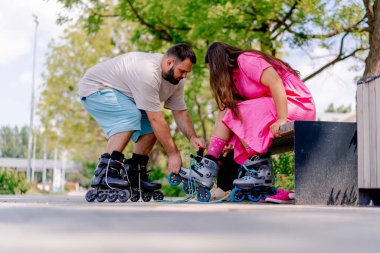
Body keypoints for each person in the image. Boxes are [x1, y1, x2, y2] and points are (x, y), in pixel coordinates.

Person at [79, 43, 205, 202]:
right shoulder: (148, 72)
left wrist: (192, 137)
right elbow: (156, 118)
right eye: (182, 71)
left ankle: (134, 175)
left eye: (187, 72)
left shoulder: (176, 81)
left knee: (151, 131)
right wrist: (173, 154)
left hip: (124, 96)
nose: (184, 76)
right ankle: (105, 173)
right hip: (96, 88)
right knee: (132, 116)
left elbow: (180, 111)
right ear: (169, 63)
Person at [203, 41, 316, 203]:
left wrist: (282, 119)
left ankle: (259, 170)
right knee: (231, 108)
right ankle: (209, 164)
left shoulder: (246, 60)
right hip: (271, 108)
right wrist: (219, 147)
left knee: (238, 110)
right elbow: (225, 110)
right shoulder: (233, 79)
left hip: (295, 104)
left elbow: (276, 82)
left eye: (212, 69)